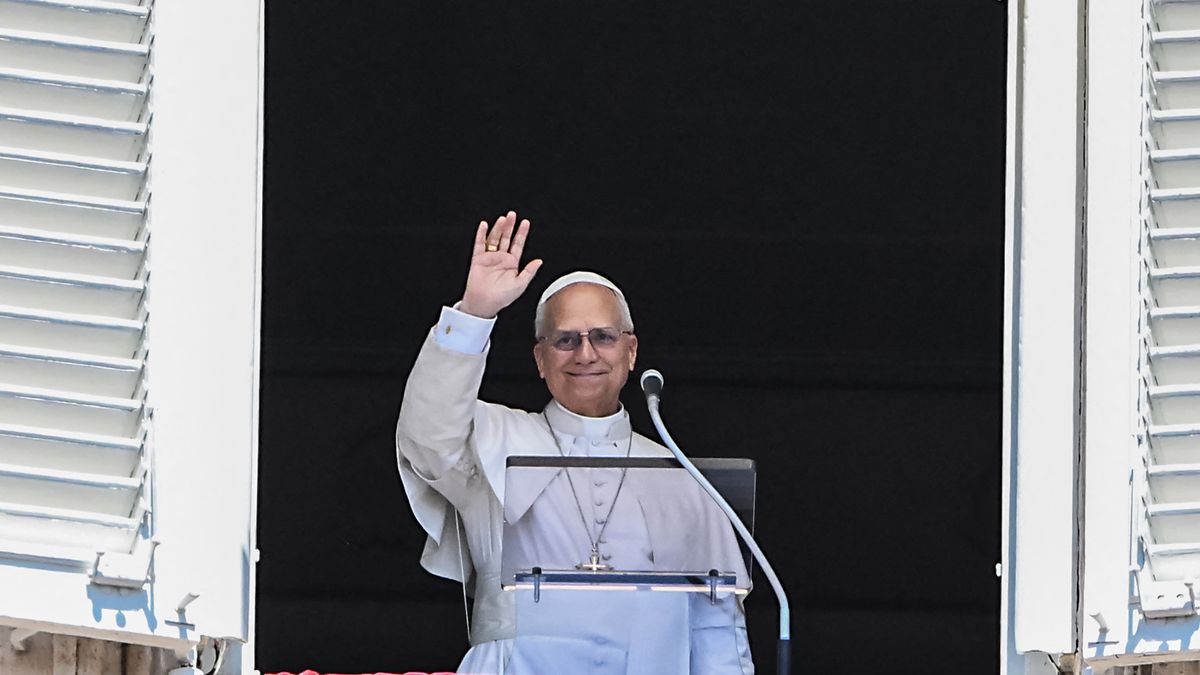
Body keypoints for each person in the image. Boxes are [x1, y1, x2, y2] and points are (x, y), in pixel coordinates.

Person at [395, 211, 753, 674]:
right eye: (565, 340)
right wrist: (475, 314)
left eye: (603, 337)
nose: (585, 354)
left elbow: (716, 625)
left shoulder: (677, 472)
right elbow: (427, 435)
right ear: (540, 360)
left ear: (631, 352)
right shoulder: (493, 440)